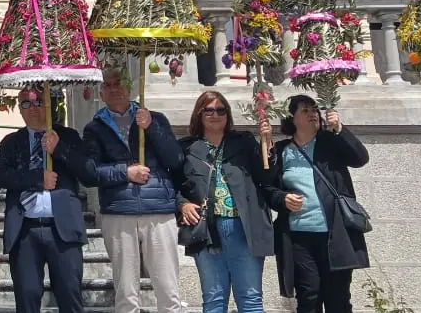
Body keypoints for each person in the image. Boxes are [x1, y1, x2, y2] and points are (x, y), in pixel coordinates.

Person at [82, 67, 184, 313]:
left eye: (119, 83)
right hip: (119, 212)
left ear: (128, 86)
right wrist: (125, 172)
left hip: (158, 210)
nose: (114, 88)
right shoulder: (94, 129)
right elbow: (91, 172)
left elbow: (175, 159)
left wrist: (151, 128)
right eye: (108, 85)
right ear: (101, 92)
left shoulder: (154, 118)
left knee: (168, 289)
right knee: (126, 292)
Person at [266, 95, 369, 313]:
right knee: (308, 296)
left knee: (338, 299)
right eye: (305, 110)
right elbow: (268, 189)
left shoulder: (330, 142)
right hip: (299, 237)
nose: (312, 114)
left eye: (315, 110)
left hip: (335, 234)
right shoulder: (282, 150)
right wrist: (282, 199)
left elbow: (360, 158)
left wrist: (340, 128)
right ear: (291, 118)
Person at [0, 87, 96, 313]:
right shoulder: (11, 142)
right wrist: (37, 179)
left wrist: (59, 148)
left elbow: (90, 174)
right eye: (25, 103)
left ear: (49, 104)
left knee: (70, 296)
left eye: (38, 101)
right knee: (27, 297)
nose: (32, 108)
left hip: (62, 228)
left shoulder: (68, 136)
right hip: (25, 231)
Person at [178, 91, 275, 313]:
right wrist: (182, 204)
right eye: (208, 110)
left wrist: (267, 144)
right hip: (206, 229)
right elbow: (173, 186)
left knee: (250, 299)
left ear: (227, 114)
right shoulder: (186, 148)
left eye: (220, 110)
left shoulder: (244, 141)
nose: (215, 114)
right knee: (213, 299)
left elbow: (266, 178)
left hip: (245, 226)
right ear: (199, 114)